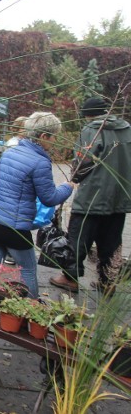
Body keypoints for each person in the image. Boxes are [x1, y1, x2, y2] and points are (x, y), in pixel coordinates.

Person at [0, 112, 75, 298]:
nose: (55, 140)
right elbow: (49, 198)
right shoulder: (40, 162)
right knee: (27, 269)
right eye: (54, 136)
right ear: (43, 136)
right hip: (15, 227)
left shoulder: (10, 152)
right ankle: (33, 310)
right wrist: (68, 187)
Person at [50, 97, 131, 293]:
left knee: (78, 237)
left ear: (88, 114)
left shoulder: (92, 130)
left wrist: (73, 178)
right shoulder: (127, 129)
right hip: (120, 196)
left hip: (92, 196)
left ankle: (70, 277)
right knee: (111, 239)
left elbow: (83, 161)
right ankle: (107, 281)